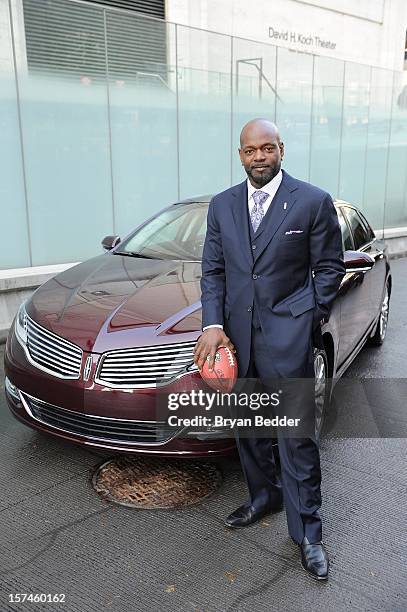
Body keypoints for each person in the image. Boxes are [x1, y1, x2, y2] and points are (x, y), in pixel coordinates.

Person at [193, 118, 345, 581]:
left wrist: (304, 318)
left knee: (295, 438)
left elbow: (329, 269)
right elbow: (214, 271)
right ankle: (264, 497)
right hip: (236, 340)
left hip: (289, 338)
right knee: (249, 429)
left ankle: (309, 533)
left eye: (266, 148)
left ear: (281, 148)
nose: (258, 157)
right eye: (249, 150)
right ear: (240, 155)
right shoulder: (221, 206)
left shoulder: (312, 202)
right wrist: (213, 325)